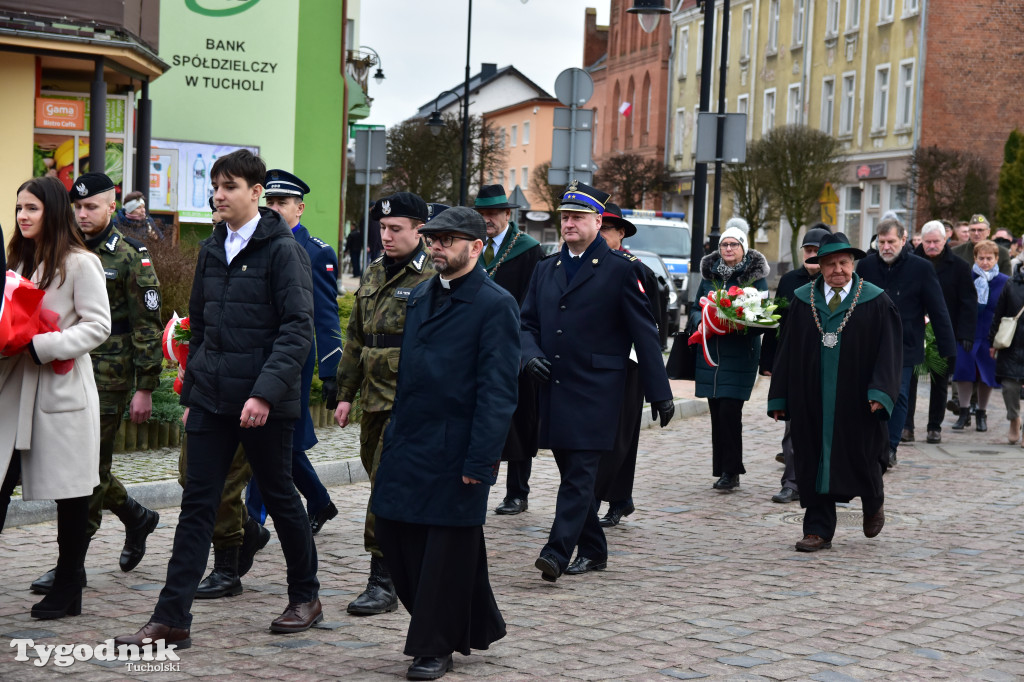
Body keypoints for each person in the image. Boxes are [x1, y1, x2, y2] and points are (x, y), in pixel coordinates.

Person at [115, 149, 320, 649]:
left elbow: (297, 330)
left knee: (279, 497)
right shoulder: (211, 248)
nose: (219, 195)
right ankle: (171, 619)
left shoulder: (281, 250)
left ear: (256, 193)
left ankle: (306, 596)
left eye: (230, 187)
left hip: (263, 403)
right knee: (197, 505)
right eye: (216, 186)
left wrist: (265, 395)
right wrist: (196, 388)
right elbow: (201, 328)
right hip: (212, 399)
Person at [371, 207, 518, 681]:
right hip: (409, 440)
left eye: (448, 240)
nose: (437, 246)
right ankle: (474, 622)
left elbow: (498, 392)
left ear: (476, 248)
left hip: (459, 447)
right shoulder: (418, 297)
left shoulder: (496, 305)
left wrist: (481, 459)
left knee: (446, 551)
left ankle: (433, 644)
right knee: (393, 533)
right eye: (432, 238)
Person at [520, 181, 674, 582]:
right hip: (552, 388)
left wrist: (660, 393)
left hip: (597, 392)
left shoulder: (622, 271)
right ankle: (594, 548)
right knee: (573, 474)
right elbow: (525, 324)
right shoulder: (544, 269)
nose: (568, 224)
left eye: (577, 217)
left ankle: (556, 551)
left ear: (597, 221)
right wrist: (530, 355)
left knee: (578, 475)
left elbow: (645, 334)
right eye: (564, 217)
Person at [27, 174, 164, 597]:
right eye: (77, 208)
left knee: (85, 472)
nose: (83, 215)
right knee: (90, 467)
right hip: (63, 371)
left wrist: (146, 387)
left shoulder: (129, 255)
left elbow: (147, 326)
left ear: (112, 206)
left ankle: (72, 567)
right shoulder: (60, 249)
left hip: (110, 376)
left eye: (91, 207)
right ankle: (136, 516)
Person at [1, 176, 111, 618]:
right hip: (14, 391)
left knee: (71, 497)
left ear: (51, 212)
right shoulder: (18, 260)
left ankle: (69, 587)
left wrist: (43, 344)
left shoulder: (80, 262)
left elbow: (97, 325)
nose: (23, 217)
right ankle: (68, 586)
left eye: (31, 208)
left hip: (60, 390)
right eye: (18, 209)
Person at [768, 232, 902, 552]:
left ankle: (872, 501)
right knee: (811, 456)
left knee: (865, 455)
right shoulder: (803, 300)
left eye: (843, 262)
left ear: (853, 263)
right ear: (820, 266)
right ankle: (817, 529)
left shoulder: (875, 300)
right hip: (810, 397)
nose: (837, 270)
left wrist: (881, 392)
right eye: (830, 264)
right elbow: (786, 350)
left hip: (857, 397)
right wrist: (780, 397)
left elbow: (890, 351)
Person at [334, 192, 434, 616]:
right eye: (382, 229)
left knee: (384, 487)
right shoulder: (374, 273)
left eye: (396, 230)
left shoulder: (432, 277)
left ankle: (383, 580)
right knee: (379, 479)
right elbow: (357, 338)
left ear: (419, 231)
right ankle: (408, 560)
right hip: (373, 400)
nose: (386, 236)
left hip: (408, 400)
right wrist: (343, 394)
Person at [249, 170, 341, 533]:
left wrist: (332, 371)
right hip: (255, 357)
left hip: (293, 362)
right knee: (280, 441)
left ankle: (252, 521)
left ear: (299, 208)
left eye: (281, 203)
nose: (273, 209)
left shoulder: (315, 252)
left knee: (269, 438)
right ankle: (319, 501)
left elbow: (326, 315)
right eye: (268, 202)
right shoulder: (254, 243)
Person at [857, 217, 956, 468]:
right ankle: (871, 444)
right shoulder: (866, 266)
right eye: (881, 242)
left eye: (891, 241)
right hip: (870, 343)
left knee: (898, 394)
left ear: (903, 240)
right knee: (869, 394)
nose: (886, 247)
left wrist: (948, 349)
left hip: (906, 342)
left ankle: (890, 447)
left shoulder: (921, 268)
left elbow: (938, 308)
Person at [472, 184, 544, 518]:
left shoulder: (528, 250)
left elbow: (535, 301)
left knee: (518, 420)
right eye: (481, 213)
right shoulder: (471, 247)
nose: (487, 219)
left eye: (492, 214)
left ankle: (518, 491)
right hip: (475, 344)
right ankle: (477, 483)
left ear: (507, 214)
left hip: (514, 344)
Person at [593, 202, 661, 526]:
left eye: (607, 227)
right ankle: (615, 497)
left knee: (622, 436)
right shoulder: (585, 266)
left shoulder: (637, 269)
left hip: (627, 365)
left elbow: (652, 326)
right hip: (592, 364)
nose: (601, 232)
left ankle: (616, 498)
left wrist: (640, 365)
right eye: (598, 225)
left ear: (621, 233)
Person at [690, 217, 769, 491]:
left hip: (740, 354)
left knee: (729, 412)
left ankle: (731, 471)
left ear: (743, 247)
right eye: (724, 244)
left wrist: (736, 321)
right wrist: (701, 320)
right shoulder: (710, 275)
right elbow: (694, 306)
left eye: (733, 244)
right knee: (716, 412)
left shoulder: (755, 277)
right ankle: (723, 469)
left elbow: (762, 315)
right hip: (711, 353)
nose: (728, 248)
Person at [760, 226, 831, 504]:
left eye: (817, 251)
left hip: (829, 363)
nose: (812, 256)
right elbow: (775, 323)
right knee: (793, 428)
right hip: (796, 364)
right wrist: (768, 361)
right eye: (808, 250)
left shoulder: (836, 282)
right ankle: (791, 482)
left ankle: (827, 483)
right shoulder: (790, 281)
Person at [907, 221, 977, 444]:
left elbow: (968, 302)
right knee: (909, 380)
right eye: (927, 242)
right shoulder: (909, 263)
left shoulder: (959, 266)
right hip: (913, 329)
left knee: (939, 382)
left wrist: (965, 333)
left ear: (945, 240)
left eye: (936, 241)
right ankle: (906, 426)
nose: (931, 246)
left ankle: (934, 427)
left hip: (943, 330)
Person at [950, 240, 1008, 433]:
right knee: (964, 372)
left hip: (990, 334)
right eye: (981, 258)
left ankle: (982, 413)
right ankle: (964, 412)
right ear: (974, 258)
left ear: (996, 259)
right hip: (968, 332)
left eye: (989, 258)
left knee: (986, 375)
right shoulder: (967, 277)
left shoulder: (1004, 281)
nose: (985, 262)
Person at [989, 266, 1024, 444]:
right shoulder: (1011, 284)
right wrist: (992, 342)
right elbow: (999, 313)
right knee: (1009, 386)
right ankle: (1014, 418)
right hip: (1012, 342)